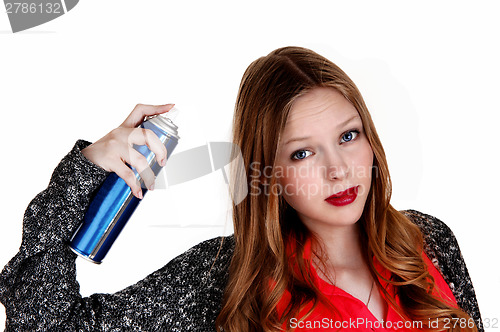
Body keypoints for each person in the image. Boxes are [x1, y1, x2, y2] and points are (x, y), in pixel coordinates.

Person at [0, 47, 482, 331]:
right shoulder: (225, 281)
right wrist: (80, 176)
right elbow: (45, 325)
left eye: (348, 136)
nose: (339, 171)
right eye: (302, 153)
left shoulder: (428, 244)